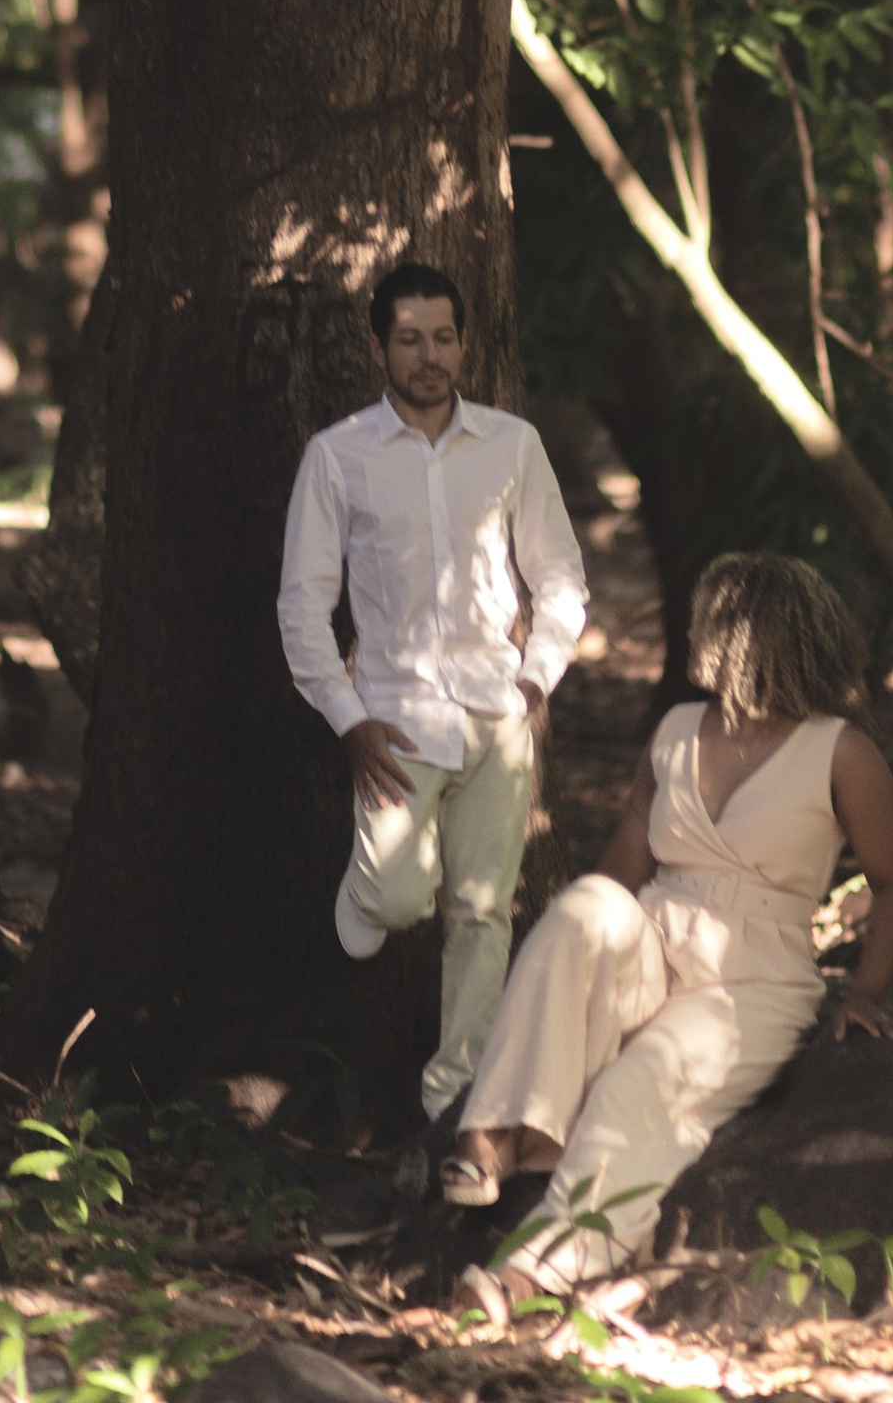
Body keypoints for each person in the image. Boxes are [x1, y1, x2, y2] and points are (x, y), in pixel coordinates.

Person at [443, 548, 893, 1322]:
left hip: (751, 981)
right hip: (656, 937)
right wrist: (576, 952)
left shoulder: (841, 752)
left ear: (757, 641)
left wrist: (866, 992)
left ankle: (528, 1276)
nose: (700, 641)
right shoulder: (675, 730)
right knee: (582, 909)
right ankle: (490, 1136)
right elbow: (622, 869)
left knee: (642, 1086)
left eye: (715, 629)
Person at [276, 256, 589, 1131]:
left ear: (463, 343)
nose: (429, 357)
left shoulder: (511, 447)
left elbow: (561, 576)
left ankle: (455, 1095)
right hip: (395, 719)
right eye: (409, 339)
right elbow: (303, 603)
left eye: (443, 338)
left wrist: (536, 677)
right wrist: (346, 720)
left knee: (483, 914)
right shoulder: (337, 456)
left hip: (497, 712)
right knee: (401, 901)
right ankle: (366, 893)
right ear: (379, 346)